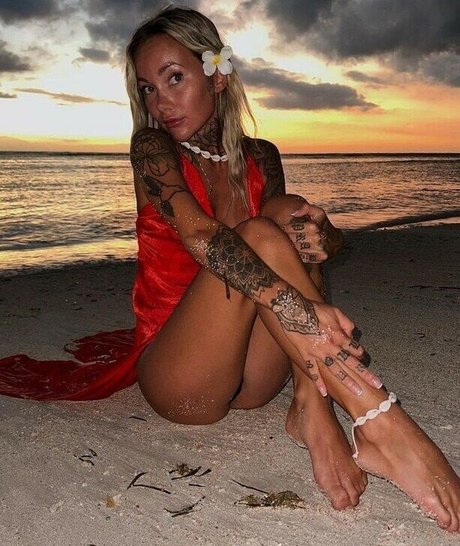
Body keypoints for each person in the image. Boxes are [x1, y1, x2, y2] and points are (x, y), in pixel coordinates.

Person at [122, 5, 459, 532]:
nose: (160, 102)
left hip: (256, 379)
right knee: (258, 232)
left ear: (217, 76)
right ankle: (379, 418)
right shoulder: (152, 149)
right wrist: (291, 304)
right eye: (147, 88)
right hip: (181, 376)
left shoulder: (261, 156)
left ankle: (310, 405)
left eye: (174, 78)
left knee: (285, 216)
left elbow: (299, 246)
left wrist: (324, 236)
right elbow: (202, 236)